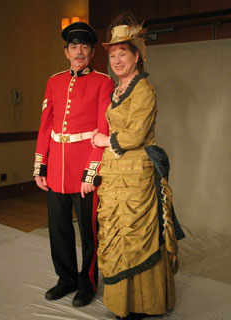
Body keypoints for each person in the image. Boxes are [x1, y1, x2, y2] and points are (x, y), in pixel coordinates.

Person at [81, 11, 185, 320]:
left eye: (122, 53)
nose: (116, 60)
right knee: (117, 235)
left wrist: (103, 141)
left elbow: (136, 134)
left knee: (137, 236)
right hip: (114, 176)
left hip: (137, 176)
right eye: (112, 54)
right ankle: (123, 303)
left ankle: (146, 303)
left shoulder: (144, 90)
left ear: (136, 55)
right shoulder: (117, 91)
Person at [33, 22, 114, 307]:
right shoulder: (54, 81)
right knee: (58, 228)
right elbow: (46, 126)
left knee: (89, 231)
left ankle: (87, 281)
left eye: (84, 47)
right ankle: (65, 278)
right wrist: (40, 165)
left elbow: (103, 129)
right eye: (73, 47)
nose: (78, 52)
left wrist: (92, 171)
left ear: (92, 52)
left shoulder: (104, 82)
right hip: (56, 167)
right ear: (66, 52)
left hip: (84, 169)